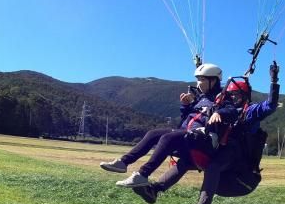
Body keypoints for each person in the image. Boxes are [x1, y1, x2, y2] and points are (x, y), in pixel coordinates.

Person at [133, 61, 281, 204]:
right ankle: (154, 190)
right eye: (231, 96)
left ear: (245, 97)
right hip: (218, 148)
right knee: (187, 160)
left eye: (237, 96)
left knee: (213, 166)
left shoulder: (250, 112)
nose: (234, 99)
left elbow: (270, 106)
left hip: (237, 158)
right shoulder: (222, 105)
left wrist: (273, 81)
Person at [99, 63, 236, 188]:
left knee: (167, 138)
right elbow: (187, 119)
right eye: (198, 79)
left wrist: (220, 113)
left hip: (203, 139)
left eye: (203, 80)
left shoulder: (222, 97)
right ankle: (123, 163)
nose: (199, 84)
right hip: (187, 134)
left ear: (214, 80)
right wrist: (186, 106)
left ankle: (142, 175)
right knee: (153, 133)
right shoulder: (201, 98)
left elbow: (233, 111)